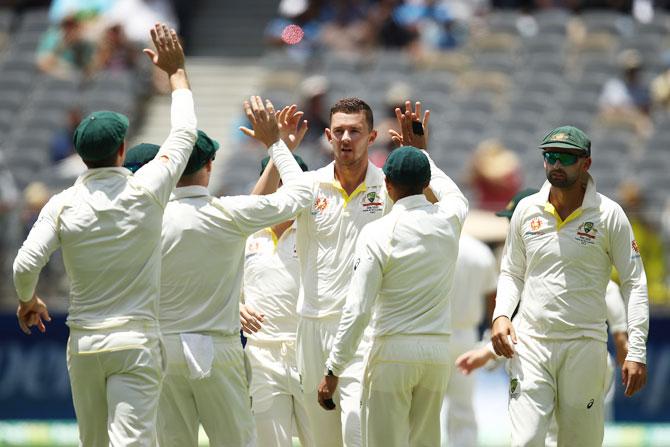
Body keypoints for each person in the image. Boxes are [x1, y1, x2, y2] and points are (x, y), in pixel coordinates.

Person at [13, 23, 197, 447]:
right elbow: (185, 134)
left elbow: (25, 264)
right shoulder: (147, 188)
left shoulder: (61, 204)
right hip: (135, 342)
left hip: (85, 345)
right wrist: (177, 73)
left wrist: (28, 300)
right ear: (122, 150)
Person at [122, 102, 313, 447]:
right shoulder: (227, 214)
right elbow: (300, 194)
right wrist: (277, 145)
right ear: (210, 167)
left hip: (163, 348)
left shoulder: (148, 218)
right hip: (215, 347)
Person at [318, 104, 468, 447]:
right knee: (425, 441)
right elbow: (450, 193)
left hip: (392, 353)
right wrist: (421, 152)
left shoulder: (377, 233)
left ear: (386, 184)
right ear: (426, 181)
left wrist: (333, 370)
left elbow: (358, 309)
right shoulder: (450, 218)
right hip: (435, 353)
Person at [490, 125, 649, 446]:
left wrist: (637, 350)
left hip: (584, 345)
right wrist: (501, 315)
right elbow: (511, 272)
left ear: (586, 164)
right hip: (531, 343)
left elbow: (634, 282)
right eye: (549, 156)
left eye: (566, 158)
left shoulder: (609, 215)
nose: (556, 165)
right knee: (526, 440)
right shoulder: (526, 209)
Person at [250, 97, 393, 446]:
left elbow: (435, 214)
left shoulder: (388, 187)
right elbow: (256, 214)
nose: (346, 138)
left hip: (364, 325)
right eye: (340, 131)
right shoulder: (310, 185)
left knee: (357, 427)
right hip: (311, 327)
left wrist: (422, 155)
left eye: (355, 131)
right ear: (328, 136)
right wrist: (277, 148)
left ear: (371, 136)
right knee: (322, 438)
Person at [455, 188, 629, 447]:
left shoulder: (547, 254)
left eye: (509, 221)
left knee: (558, 436)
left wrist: (621, 335)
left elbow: (609, 290)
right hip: (553, 355)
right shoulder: (524, 261)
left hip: (574, 356)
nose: (507, 227)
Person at [239, 154, 314, 447]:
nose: (284, 191)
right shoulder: (246, 235)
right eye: (277, 182)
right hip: (261, 355)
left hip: (309, 351)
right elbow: (224, 283)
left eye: (290, 184)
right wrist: (236, 307)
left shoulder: (317, 231)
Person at [440, 232, 498, 447]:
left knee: (421, 409)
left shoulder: (434, 242)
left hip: (431, 334)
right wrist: (493, 334)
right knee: (462, 408)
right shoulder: (480, 251)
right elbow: (493, 298)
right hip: (466, 337)